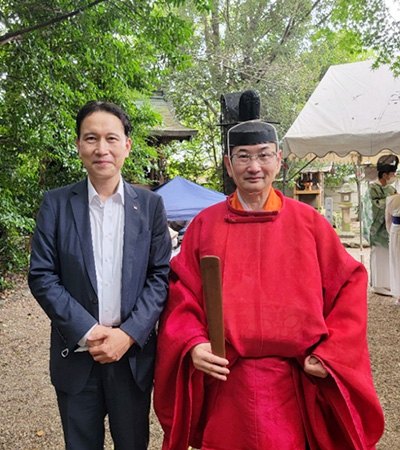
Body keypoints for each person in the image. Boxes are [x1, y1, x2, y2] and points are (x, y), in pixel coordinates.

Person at [154, 120, 384, 450]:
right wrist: (192, 343)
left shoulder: (309, 223)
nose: (254, 167)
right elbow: (181, 291)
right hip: (228, 380)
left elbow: (349, 283)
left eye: (263, 156)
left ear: (279, 160)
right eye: (243, 157)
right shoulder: (205, 225)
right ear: (228, 164)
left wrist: (331, 352)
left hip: (296, 378)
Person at [28, 100, 171, 450]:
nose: (101, 148)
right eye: (91, 138)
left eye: (111, 138)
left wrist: (129, 334)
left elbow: (159, 275)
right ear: (78, 145)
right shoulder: (57, 204)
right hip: (78, 354)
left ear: (127, 145)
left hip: (131, 357)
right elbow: (42, 275)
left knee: (133, 443)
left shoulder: (150, 206)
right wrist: (90, 331)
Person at [366, 154, 398, 296]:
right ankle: (378, 284)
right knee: (379, 254)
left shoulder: (391, 189)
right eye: (392, 174)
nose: (394, 176)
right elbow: (372, 207)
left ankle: (390, 283)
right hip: (377, 230)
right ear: (384, 175)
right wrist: (389, 202)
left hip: (389, 227)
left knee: (389, 255)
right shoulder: (373, 188)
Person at [386, 193, 400, 305]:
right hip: (396, 229)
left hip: (396, 230)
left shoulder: (392, 199)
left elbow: (388, 220)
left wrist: (390, 232)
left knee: (397, 261)